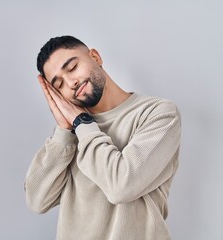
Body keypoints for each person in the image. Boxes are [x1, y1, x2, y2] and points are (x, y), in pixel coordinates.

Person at [24, 35, 181, 240]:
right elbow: (37, 201)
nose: (71, 82)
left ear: (95, 57)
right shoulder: (71, 135)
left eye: (72, 67)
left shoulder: (157, 113)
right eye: (59, 84)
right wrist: (64, 131)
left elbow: (121, 186)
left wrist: (83, 124)